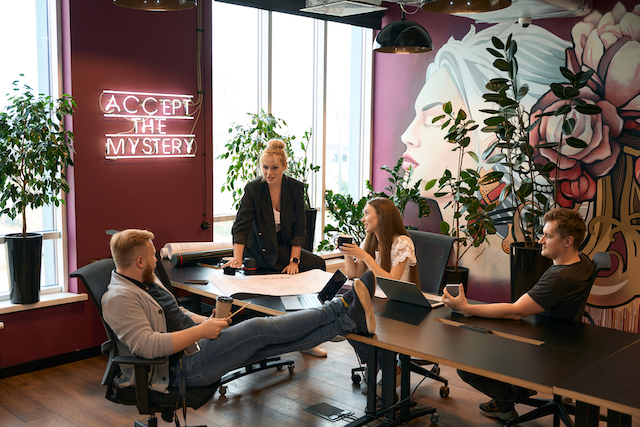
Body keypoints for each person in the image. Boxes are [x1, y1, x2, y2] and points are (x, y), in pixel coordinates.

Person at [101, 229, 376, 393]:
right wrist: (201, 330)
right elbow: (149, 347)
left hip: (193, 348)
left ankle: (346, 323)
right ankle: (340, 306)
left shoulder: (146, 279)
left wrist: (205, 321)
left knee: (265, 345)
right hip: (177, 371)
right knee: (258, 329)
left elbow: (175, 315)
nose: (154, 258)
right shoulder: (119, 298)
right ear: (139, 261)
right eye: (150, 256)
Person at [442, 208, 595, 421]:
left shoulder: (558, 279)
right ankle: (506, 400)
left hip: (543, 350)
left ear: (568, 242)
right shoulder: (584, 262)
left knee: (467, 366)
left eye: (548, 236)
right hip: (563, 341)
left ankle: (510, 397)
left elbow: (515, 311)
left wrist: (466, 307)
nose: (541, 240)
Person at [223, 139, 325, 275]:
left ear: (284, 166)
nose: (269, 173)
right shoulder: (254, 189)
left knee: (318, 264)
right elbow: (241, 226)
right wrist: (237, 258)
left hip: (283, 245)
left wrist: (294, 261)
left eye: (274, 168)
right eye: (265, 167)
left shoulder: (295, 188)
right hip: (259, 247)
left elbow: (299, 228)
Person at [339, 197, 418, 284]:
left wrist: (366, 257)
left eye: (367, 213)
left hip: (395, 297)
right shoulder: (369, 240)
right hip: (374, 294)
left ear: (381, 216)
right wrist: (348, 253)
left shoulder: (402, 242)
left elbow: (392, 282)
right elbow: (353, 274)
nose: (362, 219)